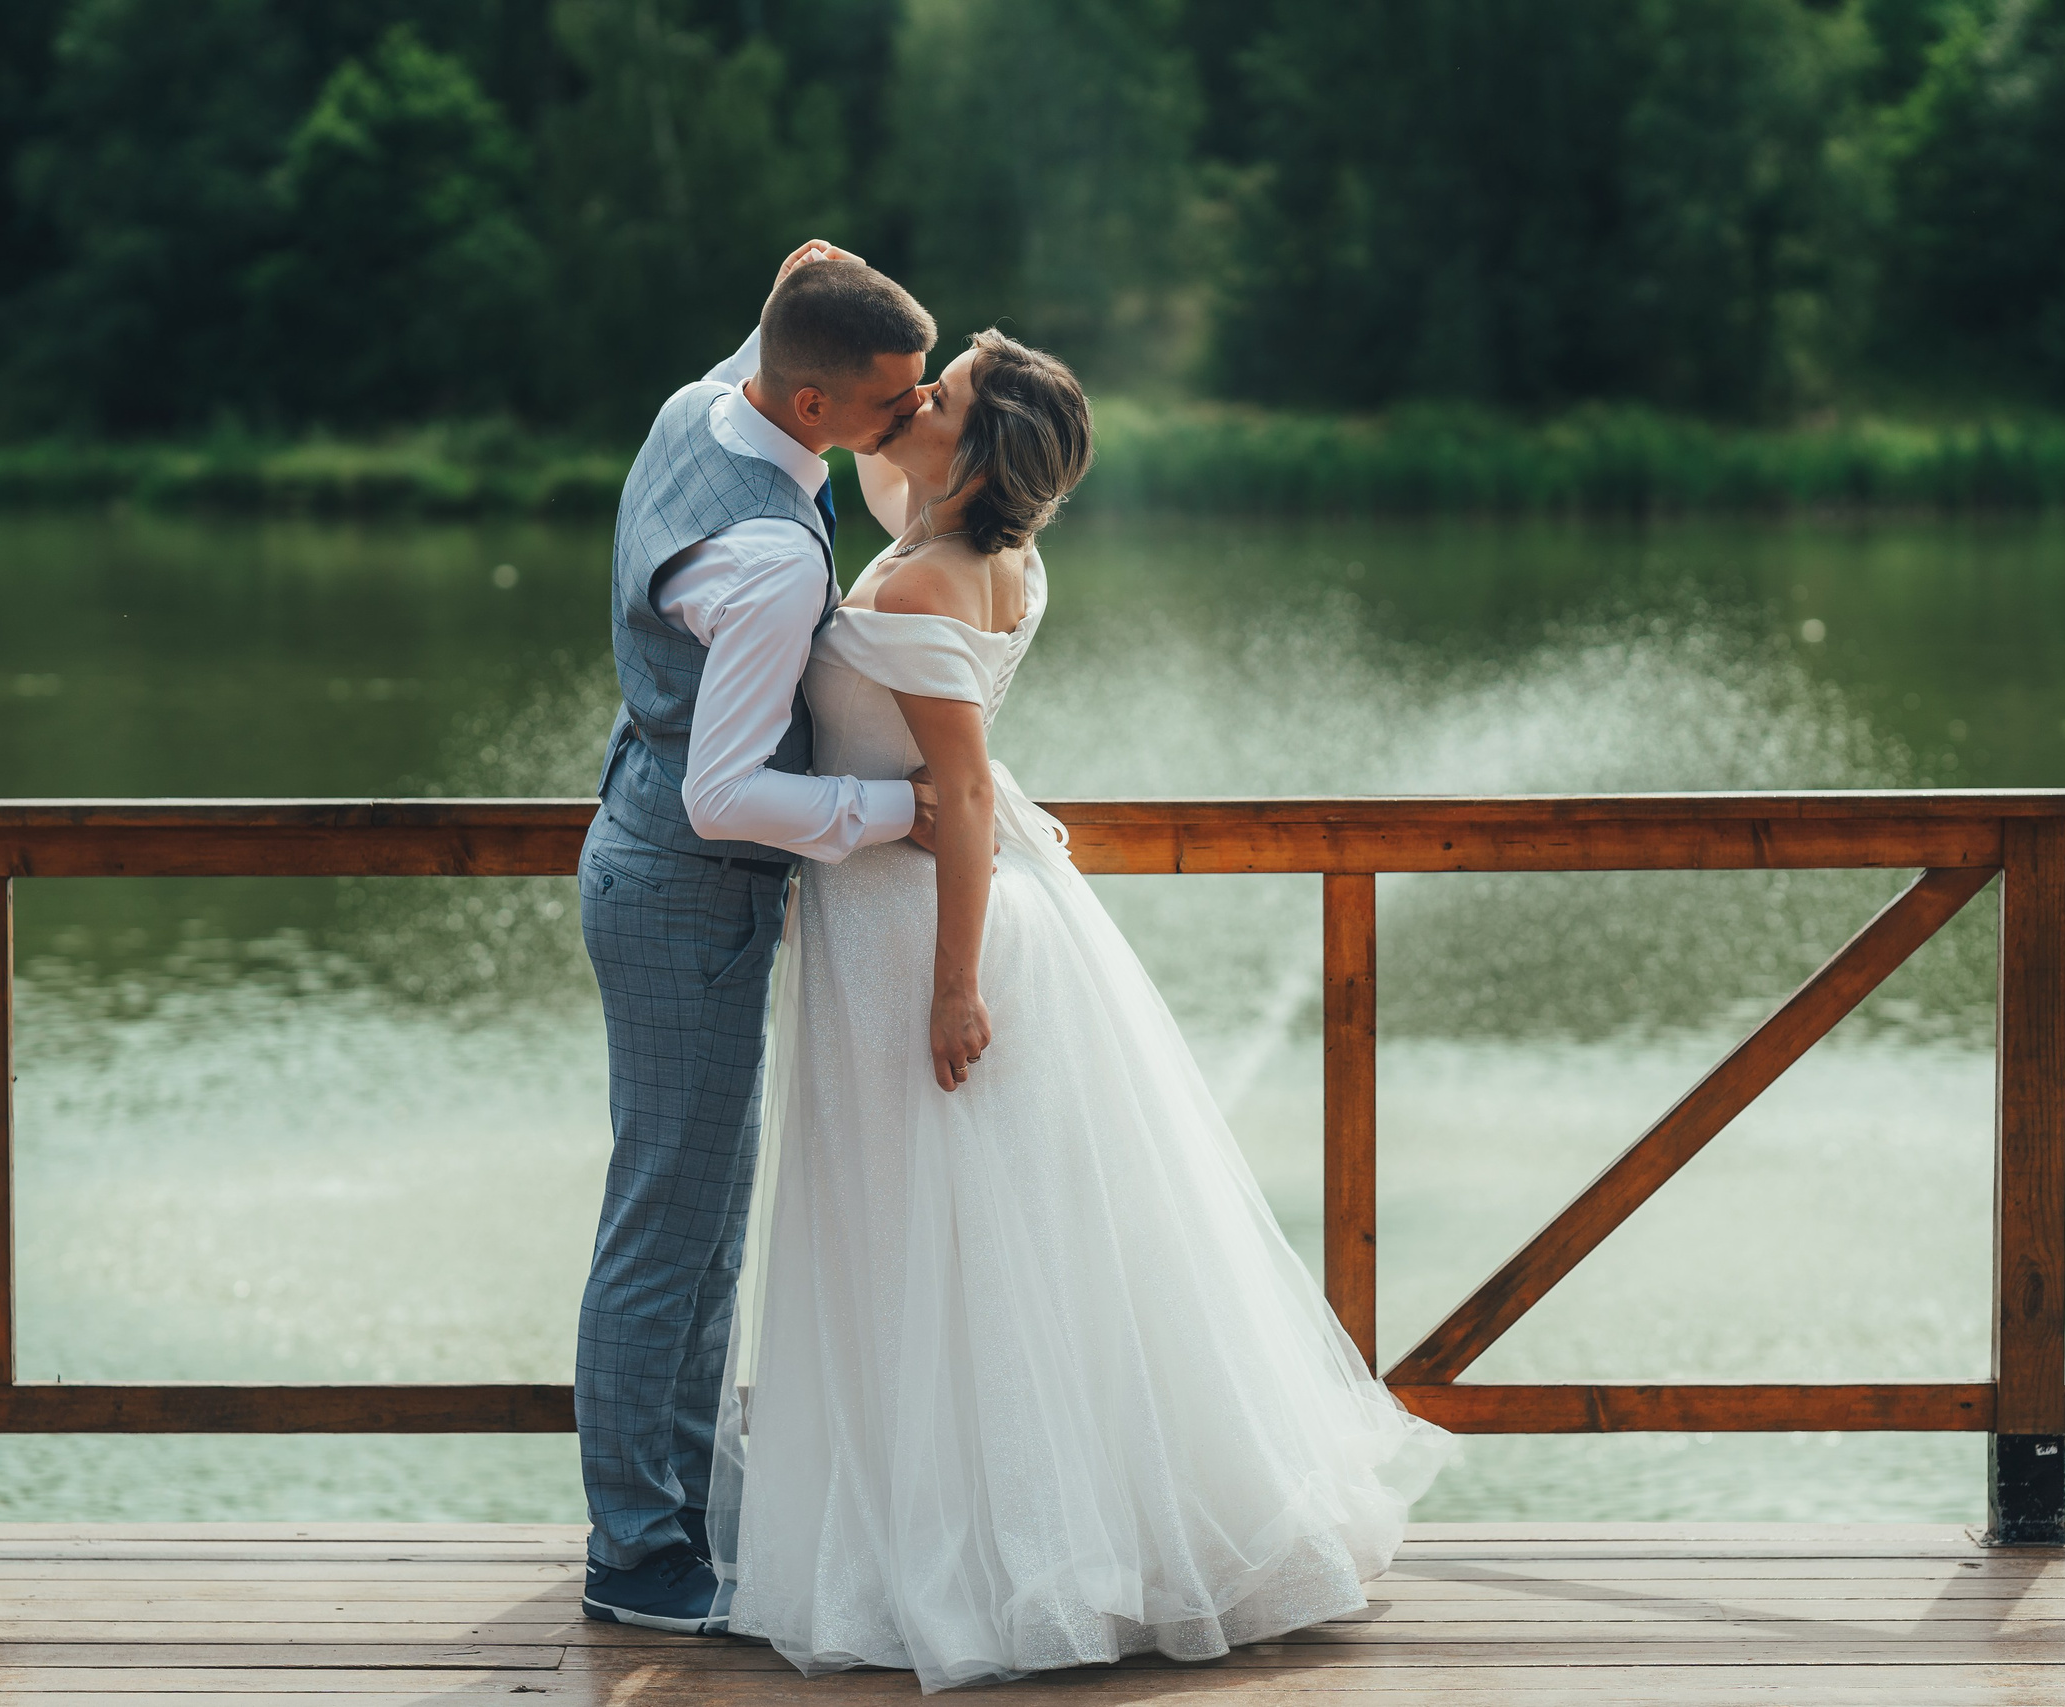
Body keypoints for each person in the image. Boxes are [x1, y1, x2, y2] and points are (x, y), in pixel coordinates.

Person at [702, 314, 1455, 1688]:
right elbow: (860, 410)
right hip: (918, 916)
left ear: (976, 451)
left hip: (924, 928)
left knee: (950, 1246)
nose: (919, 392)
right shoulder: (982, 541)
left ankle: (1003, 1560)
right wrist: (812, 317)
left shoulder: (930, 584)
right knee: (958, 1243)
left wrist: (954, 988)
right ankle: (996, 1531)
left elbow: (971, 795)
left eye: (949, 390)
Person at [575, 240, 945, 1633]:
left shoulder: (701, 408)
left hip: (642, 855)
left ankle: (682, 1504)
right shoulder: (773, 560)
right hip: (688, 888)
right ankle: (634, 1553)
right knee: (668, 1231)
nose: (906, 420)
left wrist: (810, 268)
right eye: (888, 402)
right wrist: (893, 808)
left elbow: (779, 327)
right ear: (812, 408)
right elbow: (733, 791)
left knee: (699, 1217)